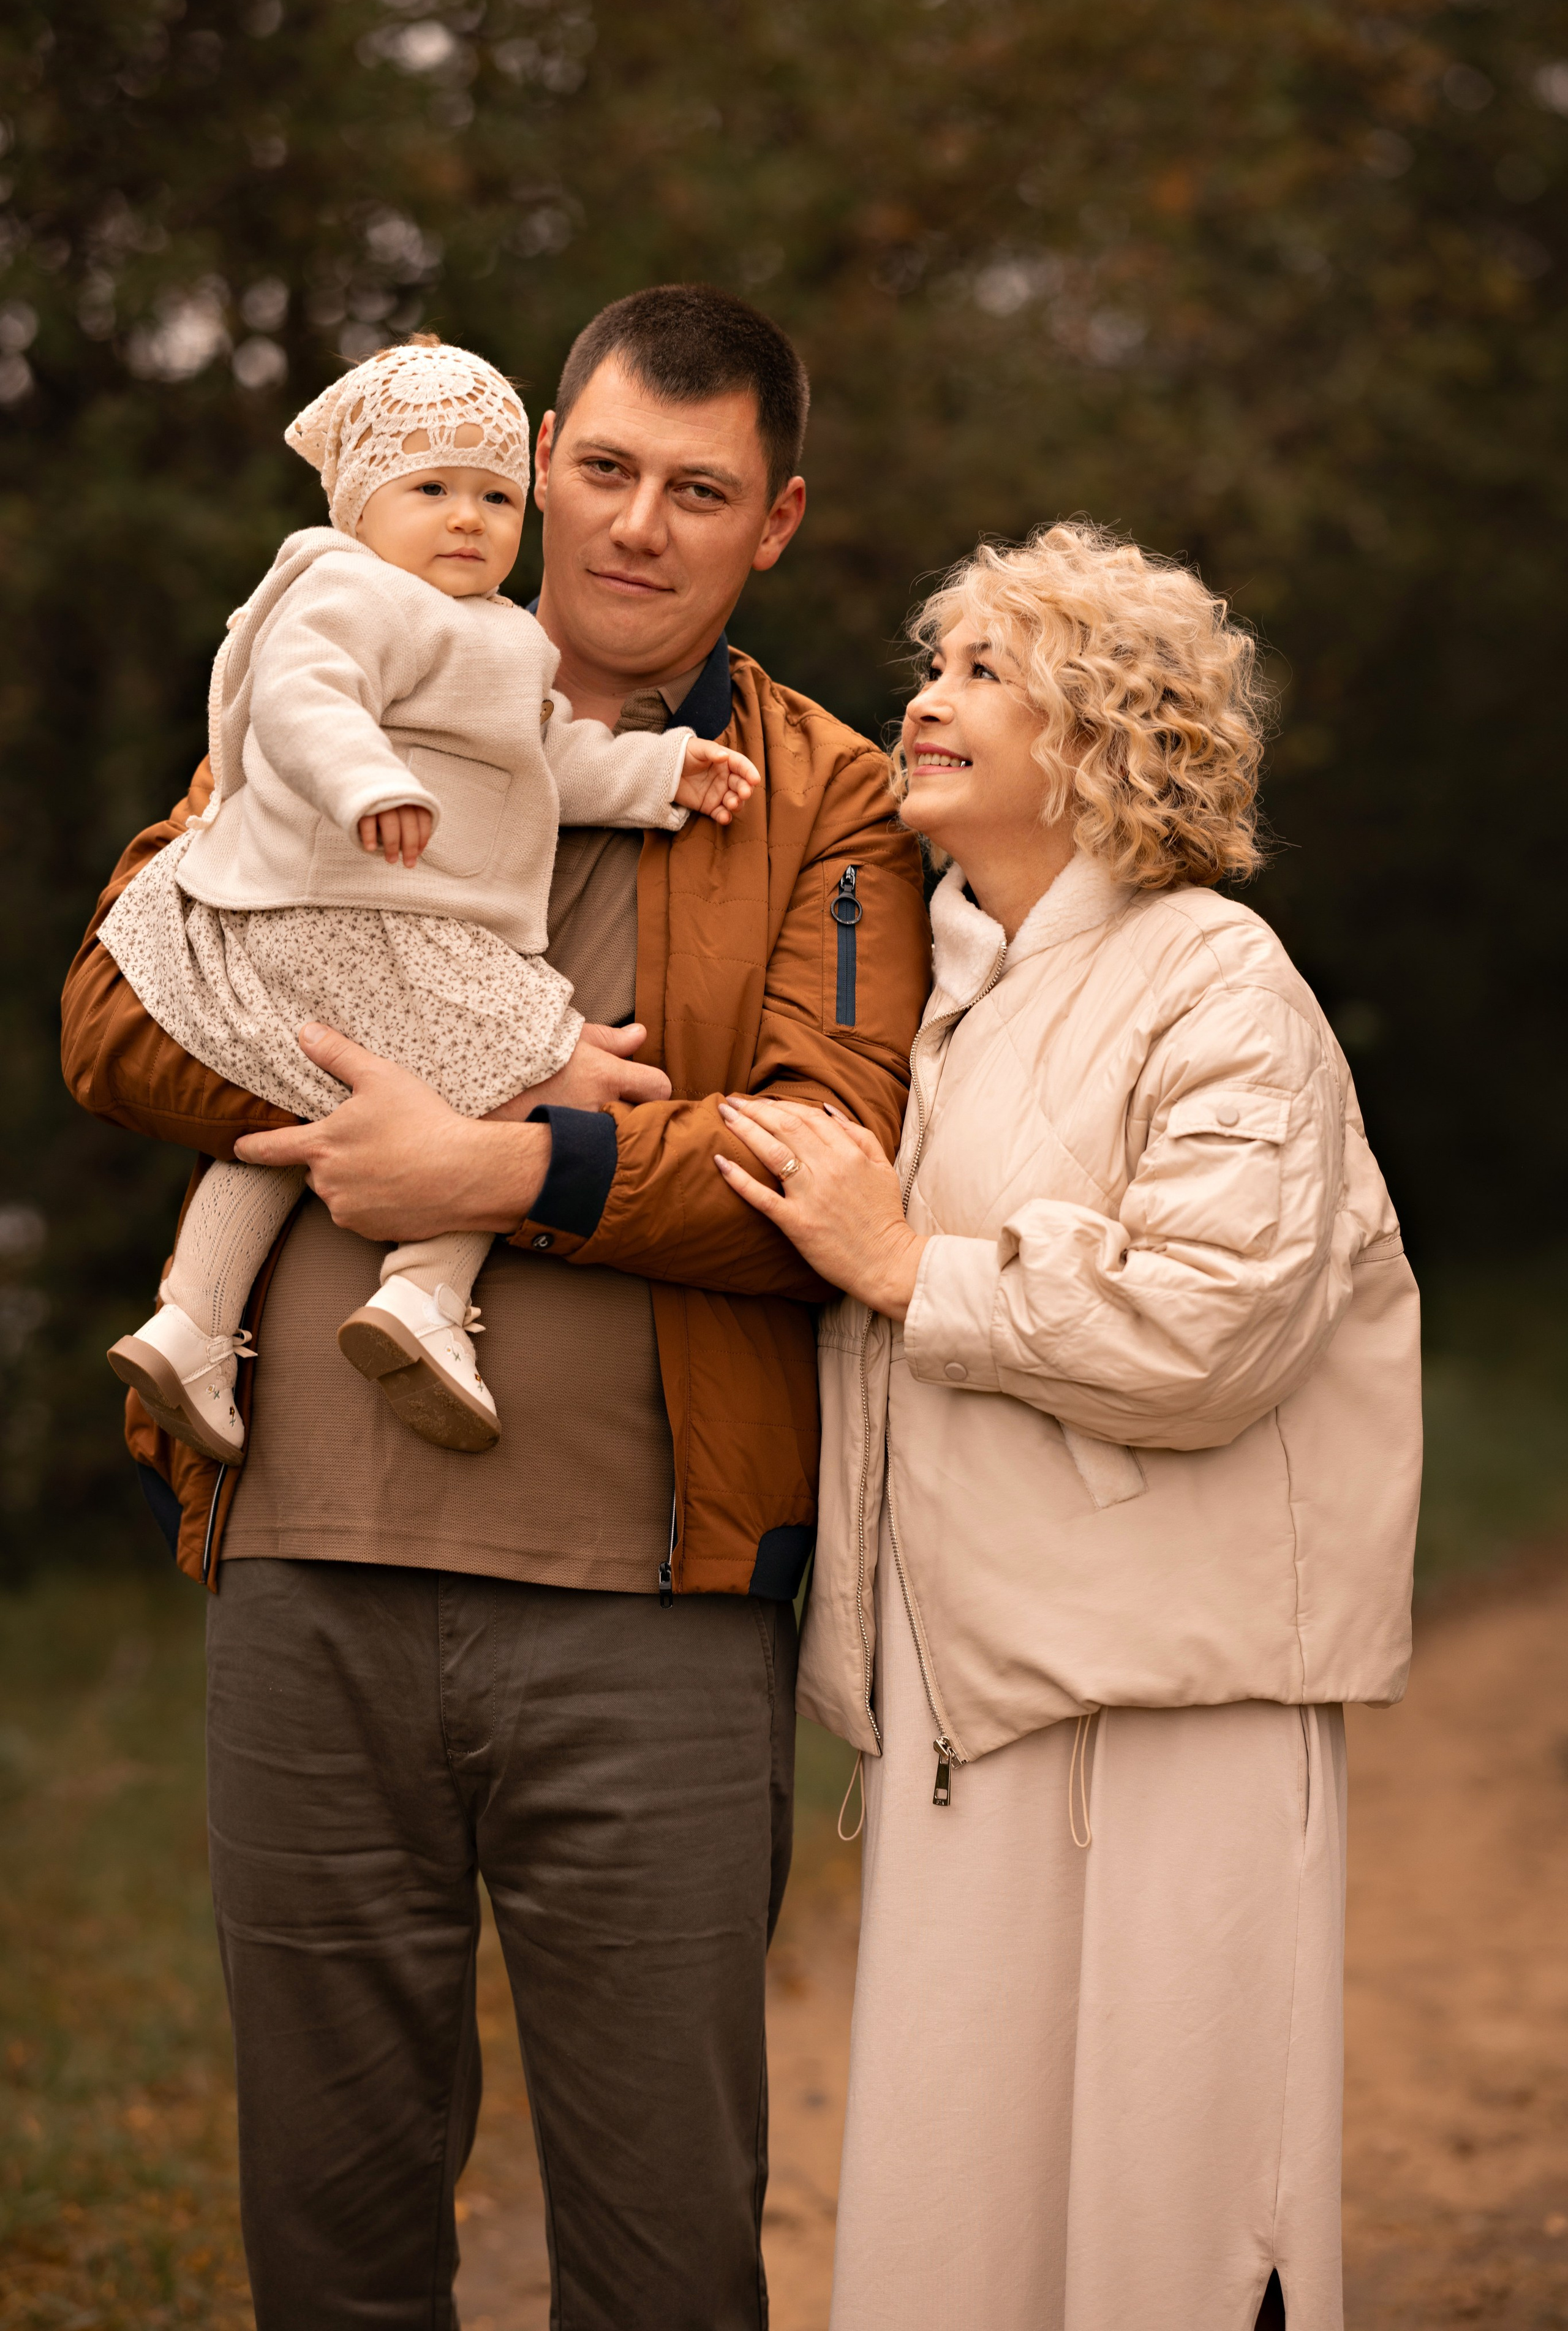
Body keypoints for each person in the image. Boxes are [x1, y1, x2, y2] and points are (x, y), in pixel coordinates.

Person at [60, 284, 931, 2331]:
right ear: (543, 456)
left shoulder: (827, 797)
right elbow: (116, 1011)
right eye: (606, 467)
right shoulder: (335, 656)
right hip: (303, 1569)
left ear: (775, 521)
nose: (637, 525)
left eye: (698, 492)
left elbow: (830, 1151)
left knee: (660, 2245)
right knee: (332, 2231)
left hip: (653, 1612)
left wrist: (505, 1173)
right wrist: (416, 1088)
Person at [715, 520, 1422, 2331]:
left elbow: (1215, 1322)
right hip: (966, 1702)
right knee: (964, 2230)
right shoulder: (935, 992)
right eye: (930, 665)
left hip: (1175, 1701)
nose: (923, 703)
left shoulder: (1219, 979)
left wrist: (909, 1264)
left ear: (1102, 731)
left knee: (1180, 2226)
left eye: (978, 674)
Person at [100, 333, 756, 1462]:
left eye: (496, 497)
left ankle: (193, 1319)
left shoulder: (496, 632)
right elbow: (303, 701)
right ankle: (424, 1297)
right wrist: (370, 782)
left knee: (296, 1109)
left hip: (363, 924)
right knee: (541, 1072)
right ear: (362, 503)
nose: (469, 519)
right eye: (432, 490)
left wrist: (664, 774)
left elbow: (552, 758)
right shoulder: (349, 588)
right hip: (336, 907)